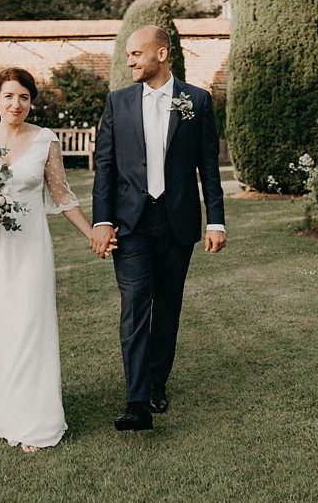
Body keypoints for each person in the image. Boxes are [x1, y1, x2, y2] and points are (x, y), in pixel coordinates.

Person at [0, 67, 108, 453]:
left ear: (31, 101)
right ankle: (2, 397)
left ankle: (33, 418)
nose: (16, 104)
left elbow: (61, 195)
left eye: (24, 97)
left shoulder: (45, 140)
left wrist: (91, 232)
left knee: (28, 324)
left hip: (29, 249)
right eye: (9, 96)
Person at [90, 25, 226, 431]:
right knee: (134, 308)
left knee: (167, 307)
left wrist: (215, 220)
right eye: (128, 55)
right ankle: (135, 402)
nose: (129, 61)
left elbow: (209, 168)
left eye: (136, 54)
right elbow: (105, 168)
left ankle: (155, 383)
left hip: (178, 221)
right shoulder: (117, 103)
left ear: (162, 54)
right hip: (132, 224)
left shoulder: (196, 101)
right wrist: (102, 220)